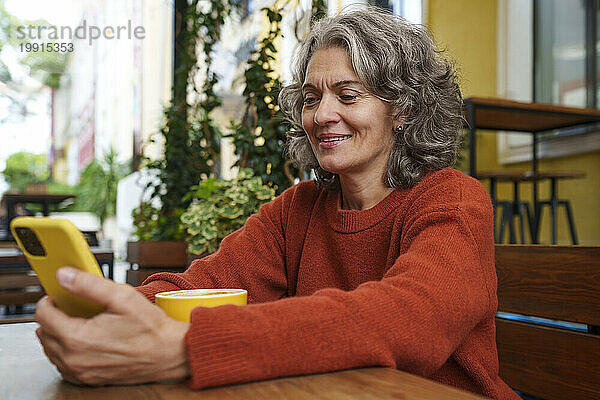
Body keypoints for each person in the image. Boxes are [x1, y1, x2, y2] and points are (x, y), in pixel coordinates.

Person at [35, 7, 520, 399]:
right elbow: (200, 286)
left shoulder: (454, 200)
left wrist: (189, 349)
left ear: (405, 108)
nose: (322, 114)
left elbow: (406, 321)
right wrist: (112, 316)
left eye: (347, 95)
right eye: (311, 98)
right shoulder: (298, 210)